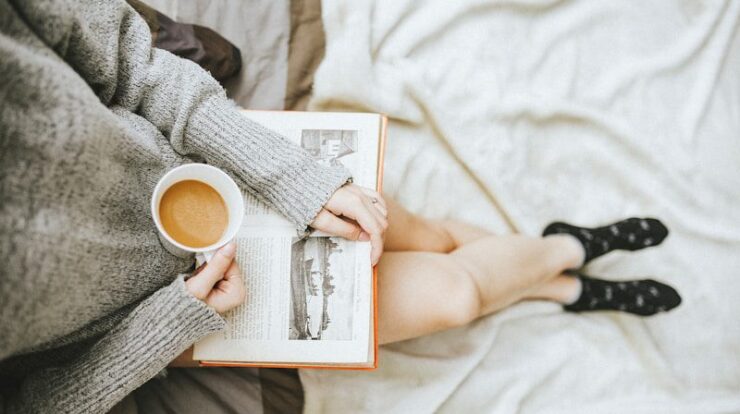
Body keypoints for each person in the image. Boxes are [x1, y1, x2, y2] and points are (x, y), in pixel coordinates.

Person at [0, 1, 386, 413]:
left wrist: (289, 173)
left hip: (204, 159)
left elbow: (125, 55)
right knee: (456, 293)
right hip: (148, 321)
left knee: (387, 224)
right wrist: (163, 330)